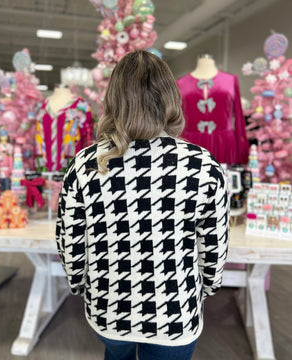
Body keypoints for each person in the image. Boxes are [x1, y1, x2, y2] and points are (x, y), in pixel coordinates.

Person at [56, 50, 229, 360]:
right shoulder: (203, 166)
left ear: (113, 99)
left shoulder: (85, 165)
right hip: (174, 312)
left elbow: (70, 244)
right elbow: (214, 249)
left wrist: (81, 286)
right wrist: (204, 289)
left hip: (109, 308)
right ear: (170, 98)